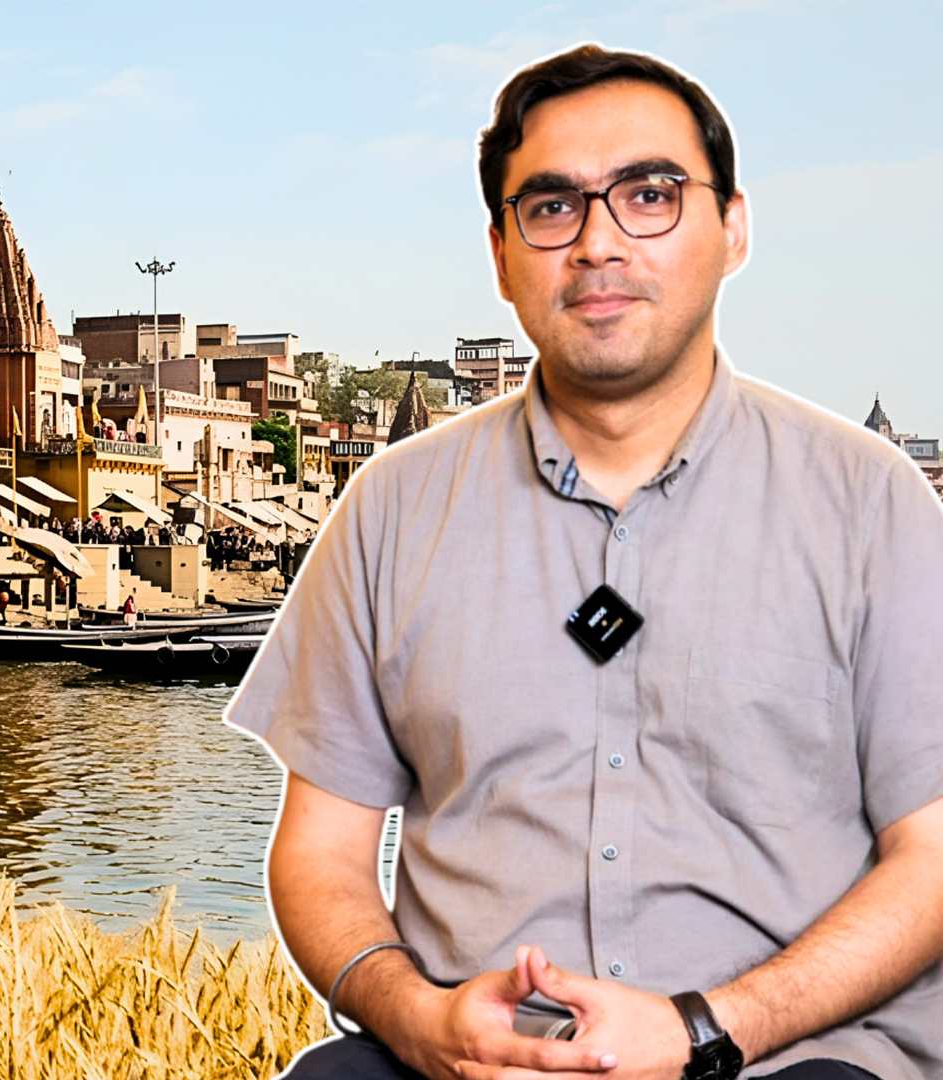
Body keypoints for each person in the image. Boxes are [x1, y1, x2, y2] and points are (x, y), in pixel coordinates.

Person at [232, 46, 943, 1080]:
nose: (599, 243)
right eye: (553, 207)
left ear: (733, 227)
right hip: (469, 1063)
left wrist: (704, 1029)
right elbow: (319, 855)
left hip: (788, 1059)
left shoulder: (872, 503)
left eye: (650, 195)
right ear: (500, 254)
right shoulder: (390, 510)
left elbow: (935, 854)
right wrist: (419, 1019)